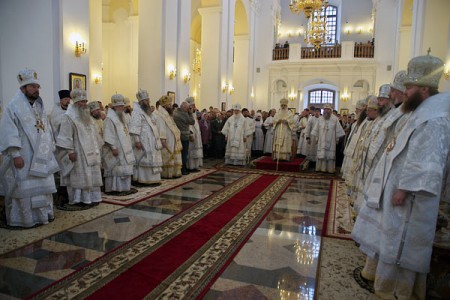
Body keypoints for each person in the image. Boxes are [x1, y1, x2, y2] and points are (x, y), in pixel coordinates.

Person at [352, 54, 450, 300]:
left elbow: (428, 161)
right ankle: (384, 284)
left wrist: (404, 189)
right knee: (389, 239)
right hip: (398, 192)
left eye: (409, 87)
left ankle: (399, 292)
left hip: (411, 198)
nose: (404, 92)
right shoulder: (419, 112)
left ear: (424, 89)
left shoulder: (434, 119)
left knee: (402, 246)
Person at [0, 68, 59, 227]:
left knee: (43, 187)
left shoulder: (38, 106)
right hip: (24, 156)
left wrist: (50, 150)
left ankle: (43, 216)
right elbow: (8, 132)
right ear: (23, 88)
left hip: (41, 156)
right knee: (24, 189)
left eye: (37, 86)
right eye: (32, 86)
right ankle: (25, 220)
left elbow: (46, 130)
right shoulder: (13, 107)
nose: (36, 89)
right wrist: (15, 154)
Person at [56, 89, 103, 206]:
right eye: (81, 102)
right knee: (80, 176)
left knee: (91, 175)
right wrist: (70, 151)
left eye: (85, 101)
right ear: (75, 102)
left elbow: (93, 133)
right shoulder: (69, 117)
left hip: (91, 152)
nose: (84, 104)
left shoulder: (86, 116)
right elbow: (65, 135)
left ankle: (92, 197)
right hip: (78, 153)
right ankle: (78, 199)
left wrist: (97, 147)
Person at [103, 94, 137, 195]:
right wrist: (113, 147)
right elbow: (108, 134)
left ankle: (124, 188)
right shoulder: (110, 118)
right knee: (116, 169)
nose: (122, 108)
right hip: (116, 148)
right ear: (114, 107)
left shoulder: (121, 117)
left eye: (123, 106)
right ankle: (115, 188)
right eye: (120, 106)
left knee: (124, 167)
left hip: (124, 148)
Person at [128, 89, 163, 186]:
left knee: (153, 158)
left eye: (148, 100)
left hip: (152, 139)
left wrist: (152, 112)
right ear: (140, 102)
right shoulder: (136, 112)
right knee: (144, 159)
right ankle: (143, 179)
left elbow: (154, 121)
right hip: (143, 139)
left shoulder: (147, 112)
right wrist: (137, 141)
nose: (147, 102)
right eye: (145, 101)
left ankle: (153, 179)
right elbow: (134, 128)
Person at [310, 104, 345, 173]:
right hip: (321, 140)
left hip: (331, 141)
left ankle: (330, 169)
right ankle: (320, 168)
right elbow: (317, 129)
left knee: (330, 156)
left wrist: (337, 139)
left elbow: (338, 130)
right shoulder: (320, 119)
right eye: (325, 109)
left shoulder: (335, 119)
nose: (326, 111)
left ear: (331, 110)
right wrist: (317, 138)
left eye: (328, 109)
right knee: (321, 154)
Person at [156, 95, 182, 178]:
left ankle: (173, 173)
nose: (171, 106)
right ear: (164, 106)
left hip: (171, 138)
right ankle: (166, 174)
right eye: (169, 105)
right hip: (166, 139)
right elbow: (161, 127)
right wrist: (162, 138)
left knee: (173, 154)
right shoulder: (160, 114)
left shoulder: (167, 114)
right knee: (167, 155)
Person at [173, 100, 196, 175]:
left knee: (180, 154)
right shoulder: (184, 114)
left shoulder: (176, 112)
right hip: (184, 136)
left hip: (178, 135)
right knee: (184, 154)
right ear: (184, 107)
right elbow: (192, 121)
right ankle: (183, 169)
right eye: (187, 108)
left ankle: (180, 169)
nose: (188, 109)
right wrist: (190, 113)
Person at [185, 97, 203, 172]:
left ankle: (195, 166)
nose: (194, 107)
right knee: (191, 152)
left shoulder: (193, 113)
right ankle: (190, 166)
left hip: (197, 135)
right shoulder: (187, 114)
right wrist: (191, 134)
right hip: (191, 134)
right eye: (193, 105)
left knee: (196, 152)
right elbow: (188, 124)